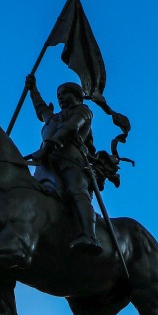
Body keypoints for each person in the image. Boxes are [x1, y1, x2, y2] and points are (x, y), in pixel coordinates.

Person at [25, 74, 102, 256]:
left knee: (76, 192)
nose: (60, 97)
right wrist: (32, 89)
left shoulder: (83, 110)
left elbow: (70, 128)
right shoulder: (54, 118)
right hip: (47, 164)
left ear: (76, 95)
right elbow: (41, 108)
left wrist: (47, 147)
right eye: (58, 94)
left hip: (71, 162)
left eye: (65, 93)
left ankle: (89, 235)